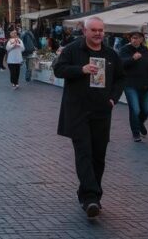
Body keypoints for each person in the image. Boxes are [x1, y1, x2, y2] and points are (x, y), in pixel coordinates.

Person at [52, 17, 124, 219]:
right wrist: (80, 70)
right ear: (85, 31)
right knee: (84, 152)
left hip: (101, 111)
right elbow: (58, 69)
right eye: (94, 30)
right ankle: (92, 197)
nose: (98, 33)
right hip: (78, 111)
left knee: (98, 156)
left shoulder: (111, 54)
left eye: (101, 30)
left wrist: (113, 99)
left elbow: (121, 78)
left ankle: (87, 194)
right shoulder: (72, 50)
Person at [118, 32, 148, 143]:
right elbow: (120, 64)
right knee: (135, 109)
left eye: (137, 38)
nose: (134, 40)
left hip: (145, 85)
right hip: (130, 85)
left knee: (146, 110)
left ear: (142, 39)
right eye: (133, 38)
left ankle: (139, 122)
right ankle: (136, 132)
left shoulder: (146, 50)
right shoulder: (124, 49)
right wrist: (133, 59)